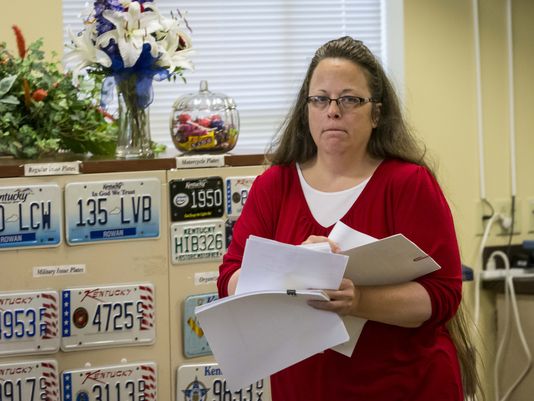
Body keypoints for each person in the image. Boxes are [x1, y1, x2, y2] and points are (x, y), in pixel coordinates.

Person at [217, 36, 480, 401]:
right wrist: (293, 267)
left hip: (407, 386)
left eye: (350, 99)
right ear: (306, 109)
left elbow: (443, 295)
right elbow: (230, 279)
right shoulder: (273, 186)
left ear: (376, 113)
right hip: (306, 389)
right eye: (320, 99)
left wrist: (358, 301)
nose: (333, 110)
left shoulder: (408, 183)